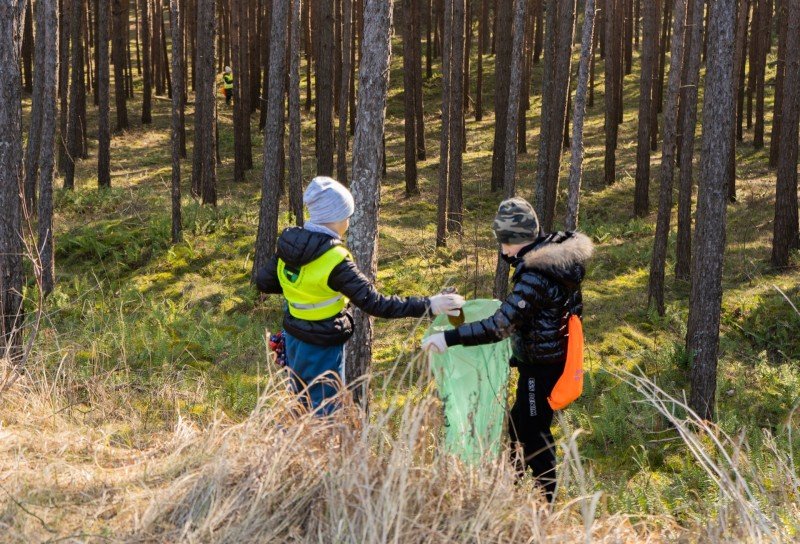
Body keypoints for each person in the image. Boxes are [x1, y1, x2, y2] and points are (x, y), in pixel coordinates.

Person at [422, 197, 593, 502]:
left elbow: (501, 324)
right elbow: (536, 317)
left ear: (517, 240)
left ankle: (544, 507)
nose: (502, 250)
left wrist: (449, 338)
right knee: (519, 429)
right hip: (547, 359)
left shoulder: (536, 275)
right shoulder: (553, 260)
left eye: (504, 243)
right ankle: (507, 495)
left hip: (541, 369)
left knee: (533, 436)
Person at [256, 176, 464, 415]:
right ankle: (322, 451)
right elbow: (375, 304)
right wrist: (430, 304)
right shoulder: (334, 258)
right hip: (322, 344)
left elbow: (265, 282)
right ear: (336, 217)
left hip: (294, 339)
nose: (348, 221)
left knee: (300, 403)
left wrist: (303, 292)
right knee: (325, 412)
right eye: (347, 215)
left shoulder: (289, 245)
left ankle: (288, 448)